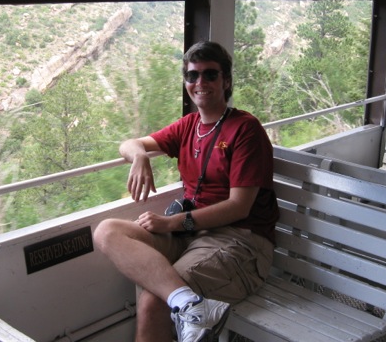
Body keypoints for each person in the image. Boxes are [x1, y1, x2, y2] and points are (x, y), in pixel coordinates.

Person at [93, 41, 279, 342]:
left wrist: (171, 223)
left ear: (226, 81)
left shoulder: (245, 129)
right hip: (191, 235)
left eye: (210, 74)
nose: (200, 82)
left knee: (154, 300)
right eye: (192, 75)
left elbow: (239, 207)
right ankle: (191, 305)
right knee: (107, 231)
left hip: (240, 241)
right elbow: (129, 144)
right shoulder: (188, 126)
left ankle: (186, 304)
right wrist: (139, 156)